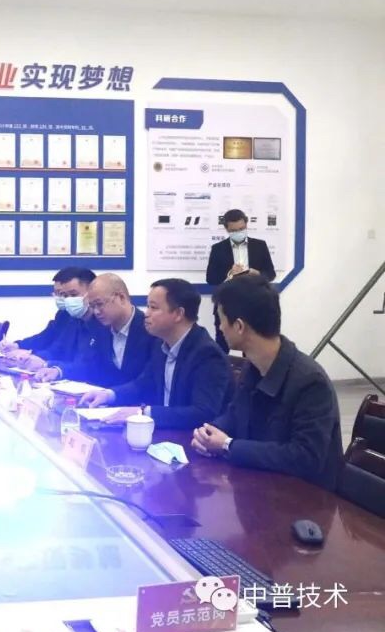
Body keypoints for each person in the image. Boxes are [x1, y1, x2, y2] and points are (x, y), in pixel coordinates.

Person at [191, 275, 343, 490]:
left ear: (239, 326)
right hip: (258, 487)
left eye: (221, 319)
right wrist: (209, 433)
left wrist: (227, 445)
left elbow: (305, 457)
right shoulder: (253, 368)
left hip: (304, 498)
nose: (220, 328)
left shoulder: (310, 382)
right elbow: (235, 414)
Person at [79, 279, 232, 429]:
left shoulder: (206, 353)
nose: (146, 314)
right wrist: (109, 395)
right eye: (147, 307)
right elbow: (144, 384)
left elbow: (202, 413)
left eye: (153, 307)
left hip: (190, 437)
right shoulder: (162, 344)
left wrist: (144, 413)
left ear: (178, 314)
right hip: (163, 431)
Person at [37, 273, 151, 387]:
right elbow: (89, 365)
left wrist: (112, 394)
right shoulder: (100, 327)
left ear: (121, 298)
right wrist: (58, 371)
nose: (96, 312)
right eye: (92, 306)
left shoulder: (149, 330)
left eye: (99, 304)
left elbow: (147, 381)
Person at [205, 209, 276, 352]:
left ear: (246, 225)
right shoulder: (218, 249)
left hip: (254, 302)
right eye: (234, 230)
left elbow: (270, 273)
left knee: (253, 343)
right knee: (222, 345)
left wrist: (258, 274)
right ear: (227, 229)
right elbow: (210, 278)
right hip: (226, 303)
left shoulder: (260, 246)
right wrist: (229, 274)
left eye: (241, 229)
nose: (238, 232)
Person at [0, 267, 97, 370]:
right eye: (63, 295)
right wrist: (24, 351)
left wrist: (48, 365)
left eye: (73, 294)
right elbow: (54, 345)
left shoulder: (102, 321)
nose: (67, 300)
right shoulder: (68, 315)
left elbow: (88, 365)